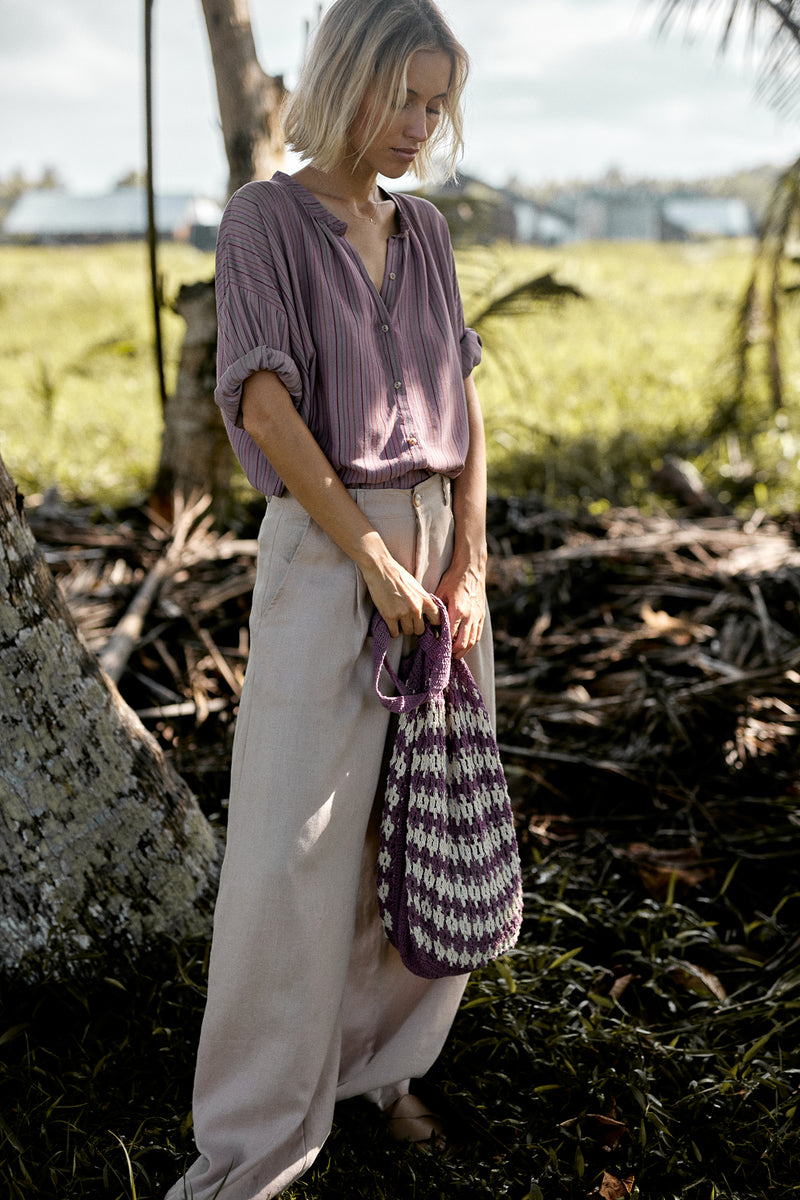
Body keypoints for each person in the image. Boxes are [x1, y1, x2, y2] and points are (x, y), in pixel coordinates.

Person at [166, 1, 495, 1196]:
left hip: (438, 564)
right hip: (327, 550)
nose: (418, 126)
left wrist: (466, 561)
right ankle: (253, 1142)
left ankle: (377, 1072)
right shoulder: (264, 221)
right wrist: (373, 560)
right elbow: (260, 403)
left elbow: (464, 408)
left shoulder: (428, 232)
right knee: (288, 855)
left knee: (422, 825)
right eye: (402, 96)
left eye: (433, 104)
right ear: (346, 81)